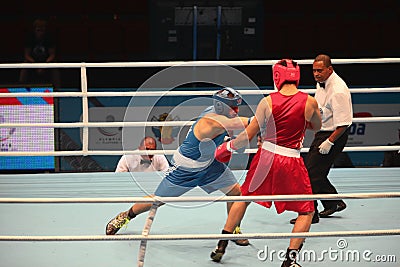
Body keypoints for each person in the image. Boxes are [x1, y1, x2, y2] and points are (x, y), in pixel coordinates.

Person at [210, 59, 322, 266]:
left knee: (244, 197)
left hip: (266, 158)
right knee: (306, 210)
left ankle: (221, 245)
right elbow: (317, 126)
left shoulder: (267, 102)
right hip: (291, 160)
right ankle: (290, 261)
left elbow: (246, 137)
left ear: (277, 76)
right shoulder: (310, 102)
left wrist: (227, 148)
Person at [106, 87, 251, 246]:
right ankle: (126, 216)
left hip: (210, 164)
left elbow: (235, 128)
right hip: (187, 168)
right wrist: (267, 117)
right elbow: (240, 123)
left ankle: (233, 228)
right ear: (221, 107)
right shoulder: (211, 121)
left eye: (238, 106)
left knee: (237, 193)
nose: (237, 110)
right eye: (233, 107)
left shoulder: (222, 114)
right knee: (158, 200)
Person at [290, 54, 353, 225]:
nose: (316, 74)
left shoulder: (338, 90)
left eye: (320, 70)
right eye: (314, 70)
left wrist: (330, 142)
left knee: (310, 173)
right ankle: (334, 203)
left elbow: (345, 123)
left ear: (329, 69)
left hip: (334, 135)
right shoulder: (321, 84)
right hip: (322, 133)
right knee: (314, 172)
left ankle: (311, 213)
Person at [19, 18, 61, 88]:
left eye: (42, 30)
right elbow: (27, 55)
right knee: (24, 68)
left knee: (55, 69)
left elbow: (52, 55)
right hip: (32, 62)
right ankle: (20, 88)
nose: (40, 32)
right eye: (38, 30)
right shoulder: (30, 38)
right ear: (35, 29)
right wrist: (35, 65)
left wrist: (44, 65)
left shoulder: (49, 38)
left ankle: (57, 91)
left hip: (46, 62)